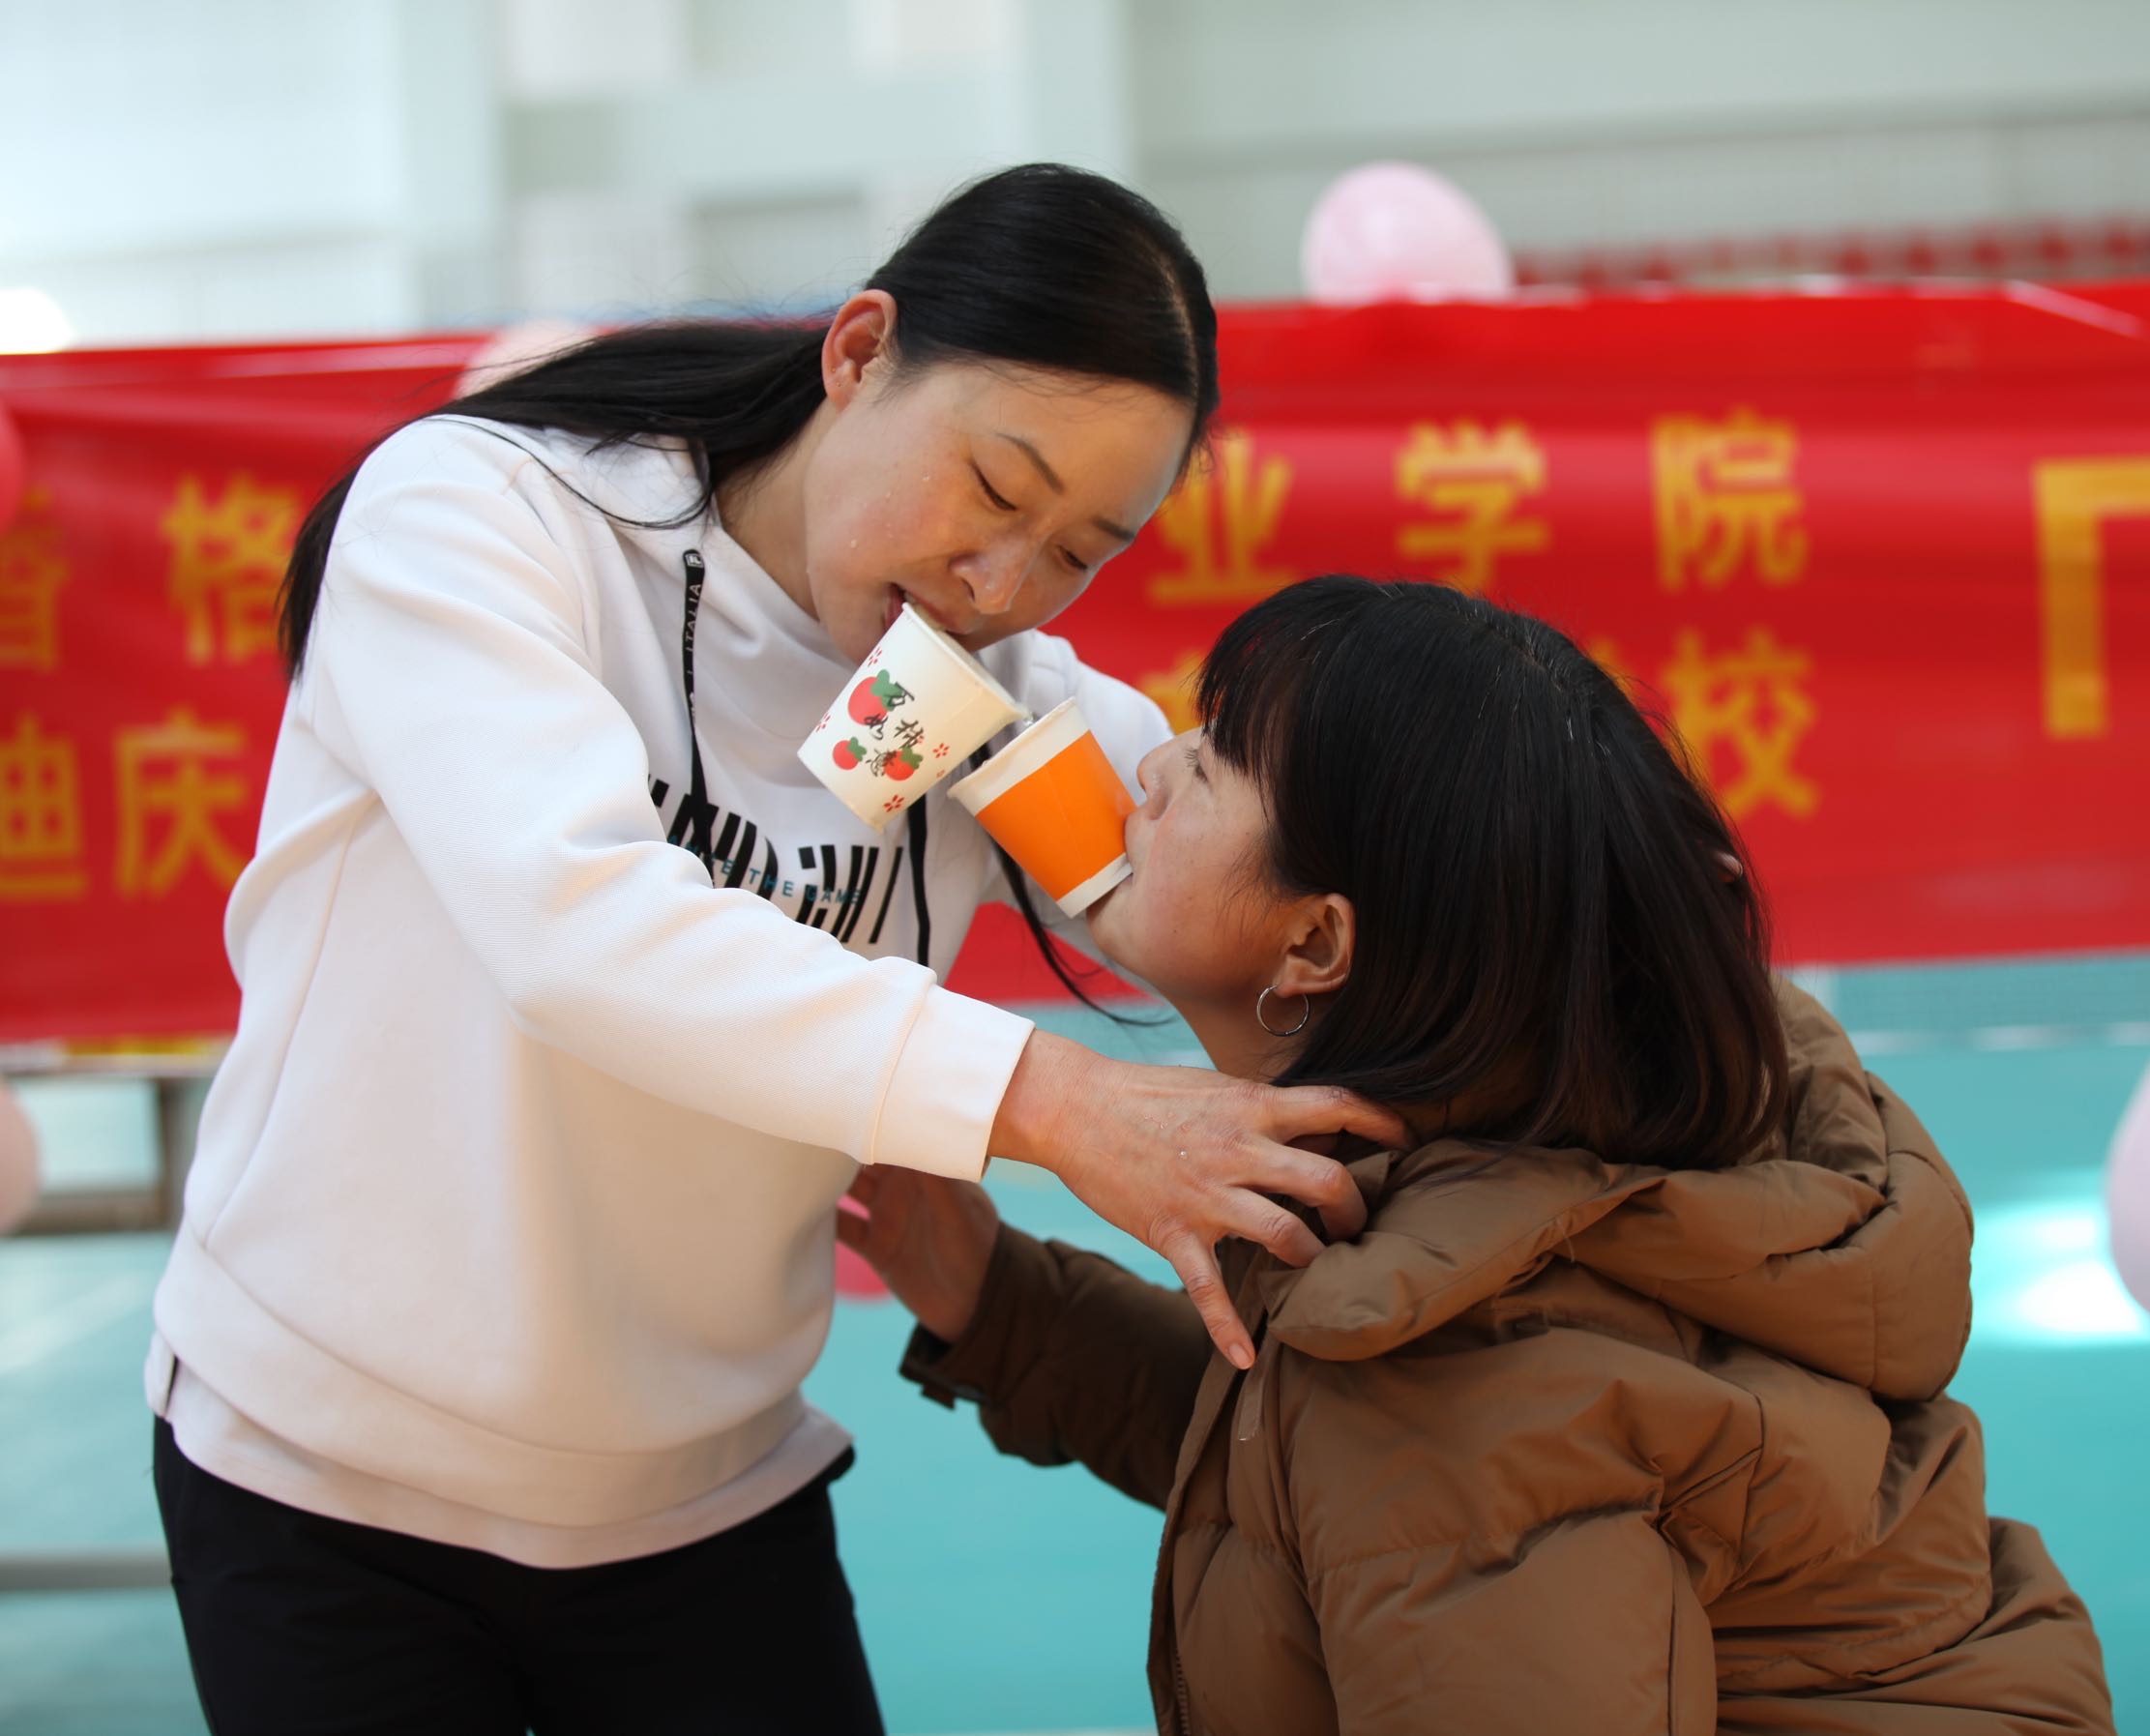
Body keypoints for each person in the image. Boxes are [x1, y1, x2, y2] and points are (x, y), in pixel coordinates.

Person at [145, 165, 1397, 1736]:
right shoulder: (486, 519)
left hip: (702, 1495)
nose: (1000, 583)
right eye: (995, 492)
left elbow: (1218, 891)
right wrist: (1066, 1107)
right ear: (861, 350)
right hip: (325, 1476)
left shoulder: (973, 690)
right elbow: (573, 922)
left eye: (1081, 550)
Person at [847, 576, 2118, 1735]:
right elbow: (1338, 1479)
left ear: (1316, 948)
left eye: (1218, 757)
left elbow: (1429, 1465)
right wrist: (996, 1300)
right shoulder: (1554, 1152)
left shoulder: (1453, 1368)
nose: (1156, 762)